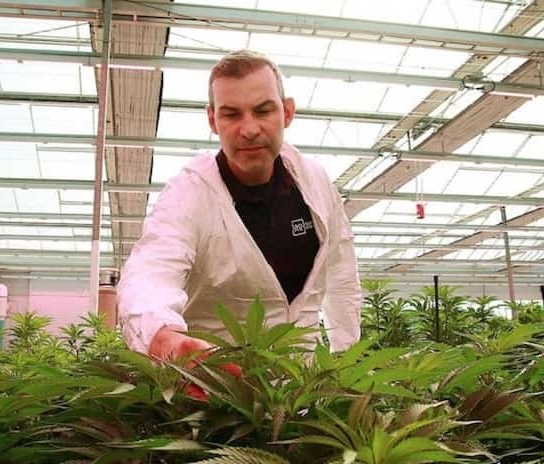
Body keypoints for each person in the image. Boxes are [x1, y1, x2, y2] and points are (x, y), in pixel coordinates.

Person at [116, 50, 361, 362]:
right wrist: (163, 336)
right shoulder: (189, 193)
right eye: (232, 114)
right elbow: (150, 270)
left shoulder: (315, 181)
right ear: (212, 120)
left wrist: (347, 359)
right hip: (215, 384)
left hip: (303, 382)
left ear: (287, 112)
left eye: (263, 111)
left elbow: (342, 274)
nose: (249, 129)